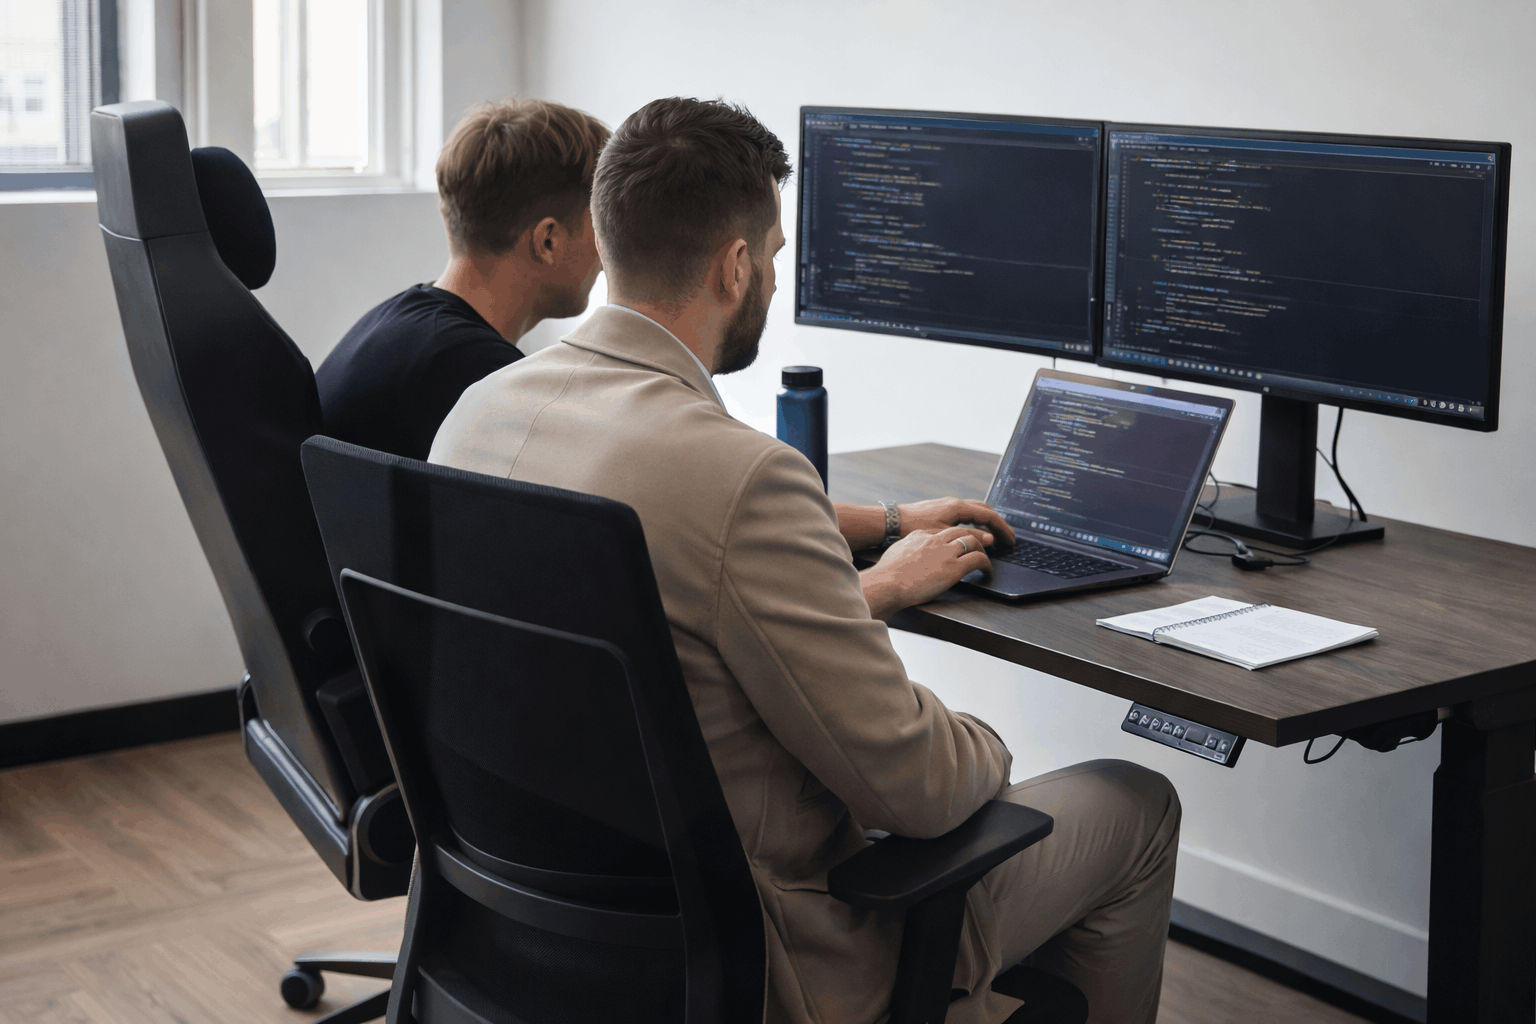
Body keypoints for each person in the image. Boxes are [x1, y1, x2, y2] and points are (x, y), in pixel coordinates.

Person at [430, 97, 1180, 1024]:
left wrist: (876, 533)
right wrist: (987, 741)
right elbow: (925, 789)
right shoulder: (742, 478)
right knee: (1133, 800)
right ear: (735, 265)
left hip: (554, 934)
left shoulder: (478, 414)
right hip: (778, 962)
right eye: (776, 255)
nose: (776, 279)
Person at [315, 98, 609, 460]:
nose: (605, 256)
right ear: (548, 240)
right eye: (600, 228)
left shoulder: (399, 322)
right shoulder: (479, 379)